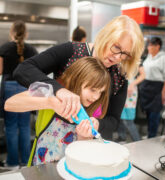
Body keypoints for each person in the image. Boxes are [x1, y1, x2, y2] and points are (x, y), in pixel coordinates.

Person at [13, 15, 144, 140]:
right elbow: (23, 70)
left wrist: (98, 124)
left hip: (89, 144)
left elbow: (113, 120)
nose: (117, 57)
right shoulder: (71, 51)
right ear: (106, 36)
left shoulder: (119, 75)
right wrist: (59, 90)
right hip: (52, 136)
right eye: (116, 47)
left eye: (125, 54)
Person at [5, 57, 111, 166]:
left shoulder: (92, 110)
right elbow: (9, 104)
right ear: (77, 80)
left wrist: (83, 137)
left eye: (101, 92)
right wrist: (50, 102)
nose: (96, 97)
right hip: (40, 167)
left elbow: (83, 155)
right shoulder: (53, 93)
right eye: (92, 90)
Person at [0, 20, 38, 169]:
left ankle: (13, 162)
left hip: (9, 87)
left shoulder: (4, 48)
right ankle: (26, 161)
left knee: (10, 126)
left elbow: (0, 71)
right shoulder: (32, 50)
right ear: (26, 33)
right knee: (25, 126)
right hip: (25, 89)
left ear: (12, 32)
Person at [139, 37, 165, 138]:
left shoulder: (164, 58)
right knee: (148, 113)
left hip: (157, 88)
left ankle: (152, 136)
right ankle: (150, 134)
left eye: (150, 45)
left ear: (157, 46)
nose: (148, 48)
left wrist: (164, 92)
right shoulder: (149, 57)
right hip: (147, 88)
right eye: (148, 45)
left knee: (154, 113)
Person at [115, 65, 145, 142]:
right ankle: (122, 137)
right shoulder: (120, 57)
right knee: (120, 116)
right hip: (120, 89)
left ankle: (137, 140)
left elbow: (143, 75)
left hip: (130, 91)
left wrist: (132, 84)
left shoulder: (137, 60)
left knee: (128, 120)